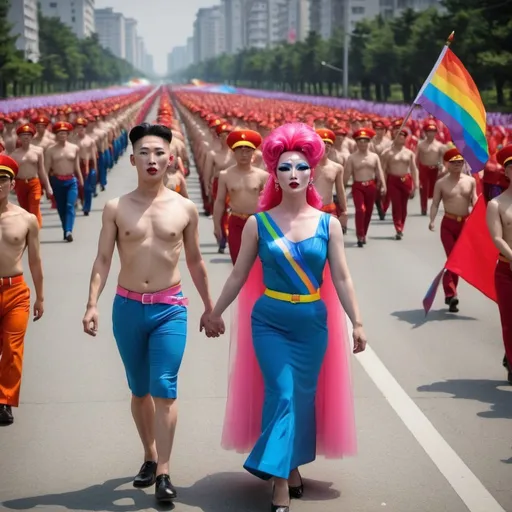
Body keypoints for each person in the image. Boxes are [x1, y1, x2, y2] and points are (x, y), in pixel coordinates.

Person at [205, 123, 366, 512]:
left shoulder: (329, 224)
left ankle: (291, 464)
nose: (293, 174)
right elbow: (239, 275)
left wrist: (357, 322)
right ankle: (279, 485)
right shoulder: (257, 225)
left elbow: (342, 277)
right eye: (284, 168)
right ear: (273, 174)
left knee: (302, 399)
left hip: (312, 322)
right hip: (270, 321)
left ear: (312, 172)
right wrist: (215, 311)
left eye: (300, 167)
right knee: (283, 394)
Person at [82, 123, 216, 504]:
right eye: (144, 152)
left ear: (170, 158)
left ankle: (164, 472)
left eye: (159, 152)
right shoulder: (116, 208)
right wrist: (92, 303)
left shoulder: (184, 208)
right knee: (139, 389)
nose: (152, 159)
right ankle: (149, 454)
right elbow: (103, 259)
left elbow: (195, 261)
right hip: (127, 309)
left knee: (165, 389)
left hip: (169, 310)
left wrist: (210, 308)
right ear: (133, 159)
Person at [0, 154, 44, 426]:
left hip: (15, 291)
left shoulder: (26, 219)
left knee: (12, 349)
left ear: (12, 183)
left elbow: (35, 260)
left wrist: (41, 296)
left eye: (2, 179)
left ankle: (4, 402)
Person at [429, 147, 478, 312]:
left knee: (458, 259)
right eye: (454, 163)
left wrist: (478, 218)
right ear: (447, 165)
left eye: (460, 162)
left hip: (464, 225)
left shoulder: (470, 181)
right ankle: (451, 294)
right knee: (452, 258)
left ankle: (451, 293)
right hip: (448, 224)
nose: (458, 165)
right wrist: (432, 220)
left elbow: (475, 200)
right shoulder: (441, 183)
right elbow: (435, 203)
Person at [213, 129, 268, 264]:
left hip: (257, 222)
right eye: (240, 150)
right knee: (237, 262)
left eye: (248, 150)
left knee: (257, 264)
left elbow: (268, 203)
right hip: (236, 221)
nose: (244, 154)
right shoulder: (225, 175)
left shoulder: (262, 176)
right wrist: (216, 225)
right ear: (234, 153)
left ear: (253, 153)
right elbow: (219, 201)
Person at [486, 144, 512, 384]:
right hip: (507, 269)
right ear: (506, 172)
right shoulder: (496, 204)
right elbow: (497, 238)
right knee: (509, 320)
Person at [344, 128, 386, 247]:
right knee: (360, 210)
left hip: (371, 186)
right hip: (358, 186)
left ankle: (364, 233)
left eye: (365, 141)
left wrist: (383, 185)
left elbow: (379, 171)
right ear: (356, 142)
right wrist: (341, 187)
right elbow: (347, 174)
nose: (362, 143)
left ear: (369, 142)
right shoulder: (352, 158)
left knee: (368, 212)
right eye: (360, 141)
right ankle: (359, 235)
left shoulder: (374, 157)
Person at [44, 121, 84, 242]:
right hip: (57, 181)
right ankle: (65, 229)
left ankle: (68, 230)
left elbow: (77, 166)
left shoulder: (74, 148)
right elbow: (45, 169)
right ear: (56, 135)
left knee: (70, 205)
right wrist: (46, 187)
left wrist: (81, 180)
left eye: (64, 133)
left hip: (71, 181)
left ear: (68, 134)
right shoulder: (50, 150)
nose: (62, 135)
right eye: (60, 133)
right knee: (61, 208)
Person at [10, 123, 52, 227]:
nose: (26, 137)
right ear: (19, 137)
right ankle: (28, 231)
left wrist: (48, 187)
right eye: (23, 135)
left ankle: (36, 230)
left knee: (34, 206)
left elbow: (42, 170)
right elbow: (12, 172)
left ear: (32, 136)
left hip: (34, 182)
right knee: (25, 210)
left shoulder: (38, 151)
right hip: (20, 184)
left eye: (28, 135)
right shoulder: (14, 154)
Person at [381, 128, 419, 240]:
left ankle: (402, 224)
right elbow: (383, 169)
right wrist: (383, 184)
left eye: (403, 136)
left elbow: (413, 169)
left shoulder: (409, 153)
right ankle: (398, 228)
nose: (401, 137)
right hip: (393, 180)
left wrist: (415, 185)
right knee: (396, 205)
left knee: (404, 206)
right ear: (394, 137)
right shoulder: (387, 153)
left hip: (405, 180)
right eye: (399, 135)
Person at [314, 128, 348, 233]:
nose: (326, 146)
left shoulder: (337, 168)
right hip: (311, 211)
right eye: (323, 143)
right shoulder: (307, 166)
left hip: (329, 210)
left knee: (331, 243)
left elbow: (340, 191)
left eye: (329, 144)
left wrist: (344, 211)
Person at [416, 120, 445, 215]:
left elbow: (441, 159)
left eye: (433, 131)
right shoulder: (421, 145)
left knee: (434, 190)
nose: (431, 133)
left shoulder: (439, 146)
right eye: (428, 131)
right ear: (425, 132)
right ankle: (423, 208)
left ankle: (434, 207)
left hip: (435, 170)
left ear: (436, 132)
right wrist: (417, 170)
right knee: (424, 189)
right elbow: (417, 158)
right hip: (424, 169)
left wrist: (441, 167)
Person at [72, 117, 98, 216]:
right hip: (76, 165)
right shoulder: (73, 141)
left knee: (87, 188)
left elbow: (93, 155)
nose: (80, 129)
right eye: (78, 127)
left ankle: (87, 207)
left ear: (85, 128)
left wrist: (95, 168)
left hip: (87, 165)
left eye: (82, 127)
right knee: (78, 186)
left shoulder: (90, 141)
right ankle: (80, 200)